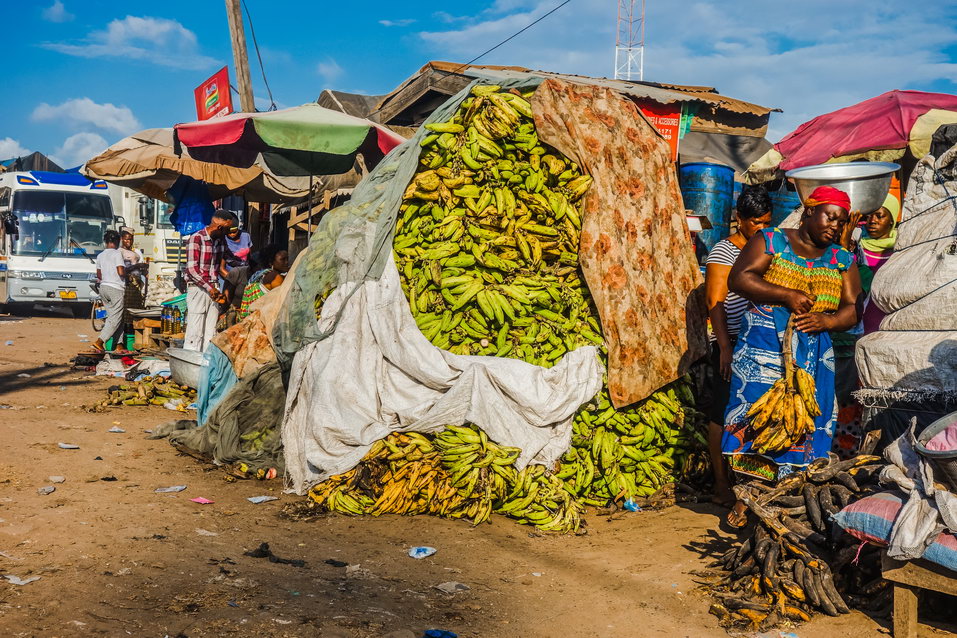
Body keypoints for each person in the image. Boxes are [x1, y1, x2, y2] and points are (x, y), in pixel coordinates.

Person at [721, 186, 863, 527]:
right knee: (759, 419)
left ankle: (788, 497)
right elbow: (739, 278)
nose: (835, 226)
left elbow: (853, 309)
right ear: (809, 210)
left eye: (841, 222)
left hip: (815, 354)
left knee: (806, 421)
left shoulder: (842, 260)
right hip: (764, 347)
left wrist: (827, 320)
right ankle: (750, 493)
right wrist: (786, 295)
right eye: (830, 217)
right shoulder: (771, 241)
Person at [704, 186, 772, 507]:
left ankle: (746, 485)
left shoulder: (768, 247)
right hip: (731, 342)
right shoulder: (723, 252)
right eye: (756, 222)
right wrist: (726, 349)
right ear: (739, 219)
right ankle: (720, 485)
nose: (761, 227)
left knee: (748, 416)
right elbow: (715, 302)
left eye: (766, 222)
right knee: (721, 414)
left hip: (758, 342)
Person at [184, 210, 231, 352]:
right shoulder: (196, 238)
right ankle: (190, 366)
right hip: (198, 289)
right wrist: (210, 288)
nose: (228, 233)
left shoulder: (221, 241)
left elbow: (229, 261)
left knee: (211, 333)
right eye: (227, 230)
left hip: (214, 289)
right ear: (220, 228)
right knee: (195, 331)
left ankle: (205, 367)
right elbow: (192, 270)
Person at [858, 193, 899, 334]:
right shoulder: (857, 247)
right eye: (868, 216)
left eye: (879, 216)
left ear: (891, 220)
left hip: (889, 325)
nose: (872, 221)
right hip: (858, 324)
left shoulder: (901, 250)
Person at [92, 230, 126, 352]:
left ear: (105, 242)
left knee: (117, 317)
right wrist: (134, 268)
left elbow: (99, 274)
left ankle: (119, 345)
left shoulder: (100, 255)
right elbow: (121, 272)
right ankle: (100, 341)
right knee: (115, 318)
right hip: (116, 288)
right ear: (117, 241)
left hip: (104, 288)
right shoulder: (117, 254)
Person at [237, 244, 290, 320]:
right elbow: (283, 300)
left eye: (287, 259)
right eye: (282, 259)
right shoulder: (275, 276)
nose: (286, 262)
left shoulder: (260, 274)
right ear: (271, 262)